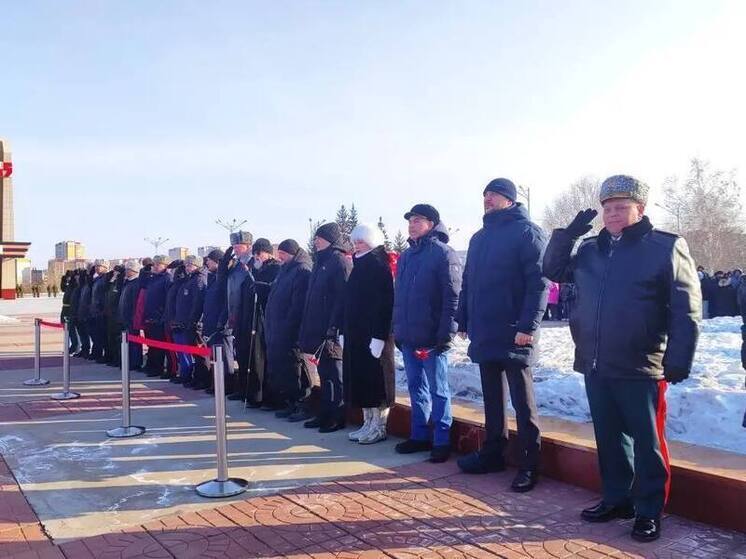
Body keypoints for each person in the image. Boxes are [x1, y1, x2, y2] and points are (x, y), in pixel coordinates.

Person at [543, 175, 700, 543]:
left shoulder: (665, 247)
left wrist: (679, 357)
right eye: (608, 208)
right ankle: (617, 499)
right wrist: (567, 235)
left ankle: (648, 510)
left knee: (647, 442)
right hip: (596, 361)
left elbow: (686, 308)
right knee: (610, 438)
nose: (612, 214)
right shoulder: (590, 249)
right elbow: (551, 270)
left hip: (641, 363)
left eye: (621, 207)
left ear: (639, 209)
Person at [456, 178, 548, 492]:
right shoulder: (479, 238)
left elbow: (538, 283)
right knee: (492, 398)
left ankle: (529, 464)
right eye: (485, 194)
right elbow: (469, 282)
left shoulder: (527, 232)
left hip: (514, 332)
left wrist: (528, 327)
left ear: (509, 199)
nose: (487, 199)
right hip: (485, 330)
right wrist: (463, 318)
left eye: (494, 194)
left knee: (523, 403)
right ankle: (493, 453)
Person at [393, 204, 461, 463]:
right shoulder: (406, 256)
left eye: (417, 220)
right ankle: (419, 435)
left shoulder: (443, 254)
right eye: (410, 220)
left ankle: (442, 440)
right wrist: (398, 329)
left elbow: (452, 297)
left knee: (438, 389)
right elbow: (400, 297)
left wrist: (446, 333)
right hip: (409, 336)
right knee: (415, 387)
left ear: (431, 223)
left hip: (433, 338)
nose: (412, 225)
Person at [343, 224, 395, 445]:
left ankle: (379, 426)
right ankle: (368, 422)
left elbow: (384, 304)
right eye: (355, 241)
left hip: (374, 334)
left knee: (376, 381)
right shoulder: (359, 264)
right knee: (362, 379)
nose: (357, 245)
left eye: (361, 241)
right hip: (358, 333)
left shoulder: (378, 265)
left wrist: (379, 336)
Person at [298, 223, 352, 430]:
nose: (315, 241)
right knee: (324, 374)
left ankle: (337, 416)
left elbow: (342, 298)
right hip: (318, 328)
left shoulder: (339, 262)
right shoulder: (321, 262)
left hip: (332, 330)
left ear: (330, 240)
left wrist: (334, 326)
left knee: (334, 375)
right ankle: (325, 413)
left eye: (319, 238)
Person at [264, 239, 313, 416]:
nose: (280, 257)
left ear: (292, 253)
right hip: (278, 327)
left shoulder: (302, 270)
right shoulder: (285, 269)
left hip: (292, 330)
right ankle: (290, 403)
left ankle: (302, 404)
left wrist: (289, 325)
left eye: (283, 254)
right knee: (285, 369)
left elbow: (298, 304)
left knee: (296, 367)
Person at [234, 238, 281, 406]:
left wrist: (262, 288)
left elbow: (274, 292)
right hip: (249, 319)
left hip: (264, 319)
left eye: (259, 253)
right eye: (254, 254)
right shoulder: (253, 269)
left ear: (268, 253)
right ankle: (251, 393)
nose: (256, 257)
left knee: (262, 358)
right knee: (250, 357)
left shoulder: (276, 269)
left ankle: (265, 395)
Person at [224, 231, 254, 397]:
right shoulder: (235, 265)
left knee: (249, 356)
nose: (235, 249)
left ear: (248, 246)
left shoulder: (252, 263)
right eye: (233, 246)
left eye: (238, 246)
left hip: (247, 317)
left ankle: (249, 390)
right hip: (235, 315)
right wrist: (225, 260)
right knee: (241, 355)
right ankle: (242, 389)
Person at [172, 255, 207, 386]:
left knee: (199, 353)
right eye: (186, 265)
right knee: (193, 352)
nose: (187, 267)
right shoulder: (189, 280)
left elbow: (198, 303)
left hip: (194, 323)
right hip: (185, 321)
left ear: (197, 266)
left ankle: (202, 379)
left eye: (190, 265)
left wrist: (194, 321)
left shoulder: (199, 279)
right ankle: (195, 377)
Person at [199, 249, 229, 391]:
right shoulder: (212, 278)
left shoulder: (223, 279)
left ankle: (225, 386)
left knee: (223, 358)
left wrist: (221, 322)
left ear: (217, 262)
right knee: (213, 358)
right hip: (210, 323)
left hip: (219, 326)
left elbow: (226, 303)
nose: (207, 263)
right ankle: (215, 384)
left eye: (209, 261)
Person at [142, 255, 173, 377]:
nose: (154, 266)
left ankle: (158, 368)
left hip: (159, 317)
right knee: (152, 345)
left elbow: (168, 300)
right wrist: (145, 270)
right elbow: (142, 284)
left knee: (159, 346)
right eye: (154, 264)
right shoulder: (153, 278)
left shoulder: (167, 278)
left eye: (157, 264)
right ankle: (152, 366)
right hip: (150, 316)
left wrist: (162, 316)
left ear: (165, 265)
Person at [118, 260, 144, 371]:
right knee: (127, 342)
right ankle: (127, 361)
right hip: (124, 317)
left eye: (128, 269)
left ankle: (135, 363)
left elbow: (135, 303)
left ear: (134, 271)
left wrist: (134, 317)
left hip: (131, 318)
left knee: (134, 342)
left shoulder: (136, 284)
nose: (126, 271)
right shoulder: (127, 283)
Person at [89, 259, 111, 363]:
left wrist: (102, 308)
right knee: (97, 335)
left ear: (105, 267)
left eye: (100, 266)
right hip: (95, 310)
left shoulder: (106, 279)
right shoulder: (97, 279)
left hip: (102, 311)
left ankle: (107, 355)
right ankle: (98, 353)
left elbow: (105, 295)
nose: (97, 268)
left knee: (104, 335)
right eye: (96, 266)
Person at [104, 266, 125, 367]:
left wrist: (118, 278)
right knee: (110, 337)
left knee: (117, 339)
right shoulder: (112, 283)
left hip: (117, 315)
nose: (115, 273)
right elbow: (106, 290)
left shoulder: (120, 283)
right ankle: (113, 357)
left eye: (117, 272)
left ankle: (119, 359)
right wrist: (111, 279)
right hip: (110, 314)